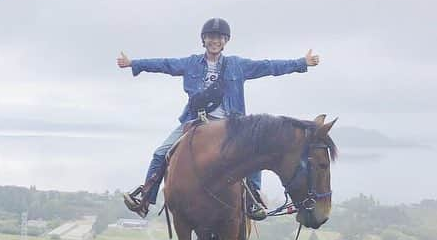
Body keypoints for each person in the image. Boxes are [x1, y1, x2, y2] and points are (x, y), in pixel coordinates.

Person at [117, 18, 320, 219]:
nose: (215, 41)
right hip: (195, 121)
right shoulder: (190, 63)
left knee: (254, 151)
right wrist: (134, 64)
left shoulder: (237, 65)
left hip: (231, 125)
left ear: (226, 41)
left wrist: (301, 63)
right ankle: (145, 198)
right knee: (161, 153)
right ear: (204, 39)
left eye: (220, 37)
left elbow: (268, 67)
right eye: (211, 37)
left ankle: (254, 198)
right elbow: (164, 64)